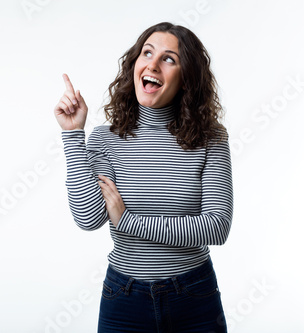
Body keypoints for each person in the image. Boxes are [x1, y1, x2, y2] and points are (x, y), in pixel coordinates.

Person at [53, 22, 233, 332]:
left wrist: (128, 221)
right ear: (134, 65)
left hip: (194, 296)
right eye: (147, 53)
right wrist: (72, 135)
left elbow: (216, 227)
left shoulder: (210, 139)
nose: (152, 64)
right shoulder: (104, 139)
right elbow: (89, 218)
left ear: (186, 77)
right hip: (124, 298)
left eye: (168, 58)